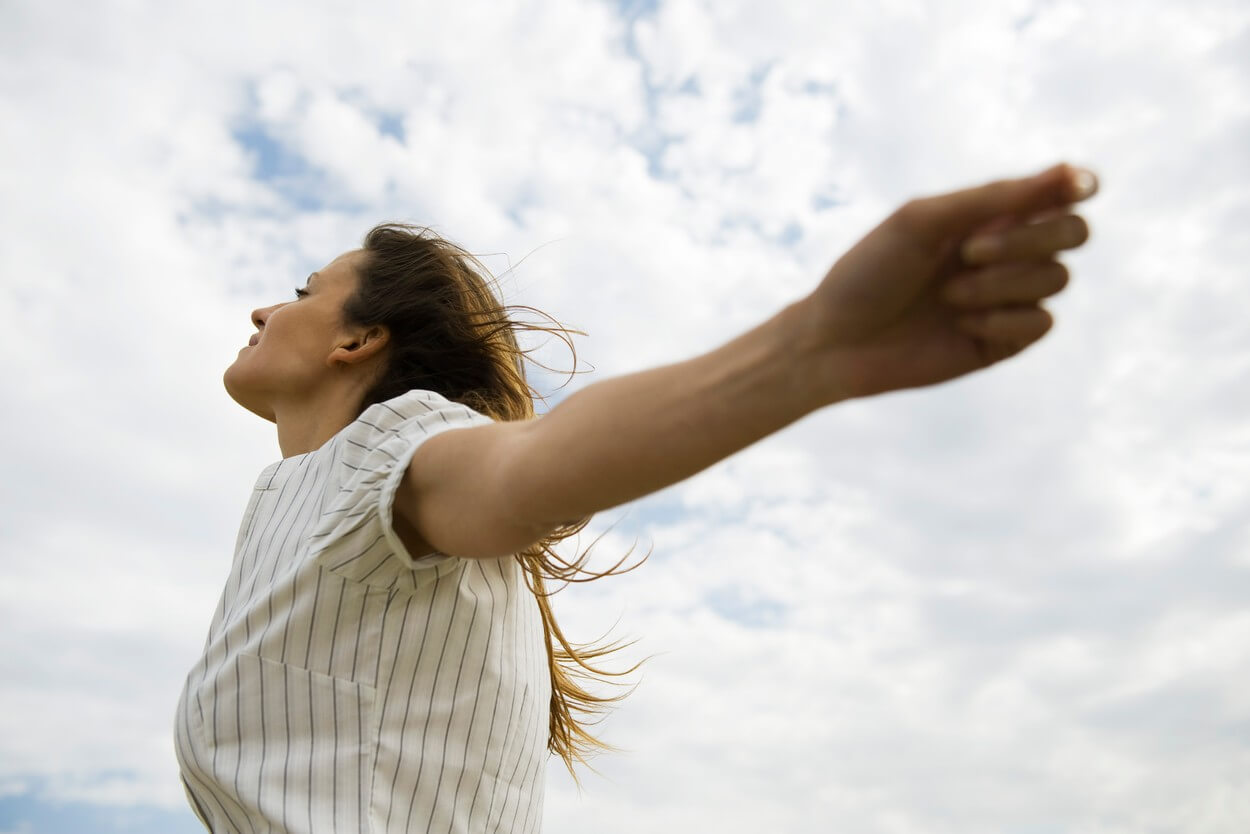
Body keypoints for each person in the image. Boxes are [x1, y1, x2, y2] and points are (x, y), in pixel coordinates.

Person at [174, 161, 1098, 833]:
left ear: (357, 340)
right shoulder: (307, 501)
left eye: (302, 291)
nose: (264, 310)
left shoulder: (390, 450)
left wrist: (812, 350)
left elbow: (529, 468)